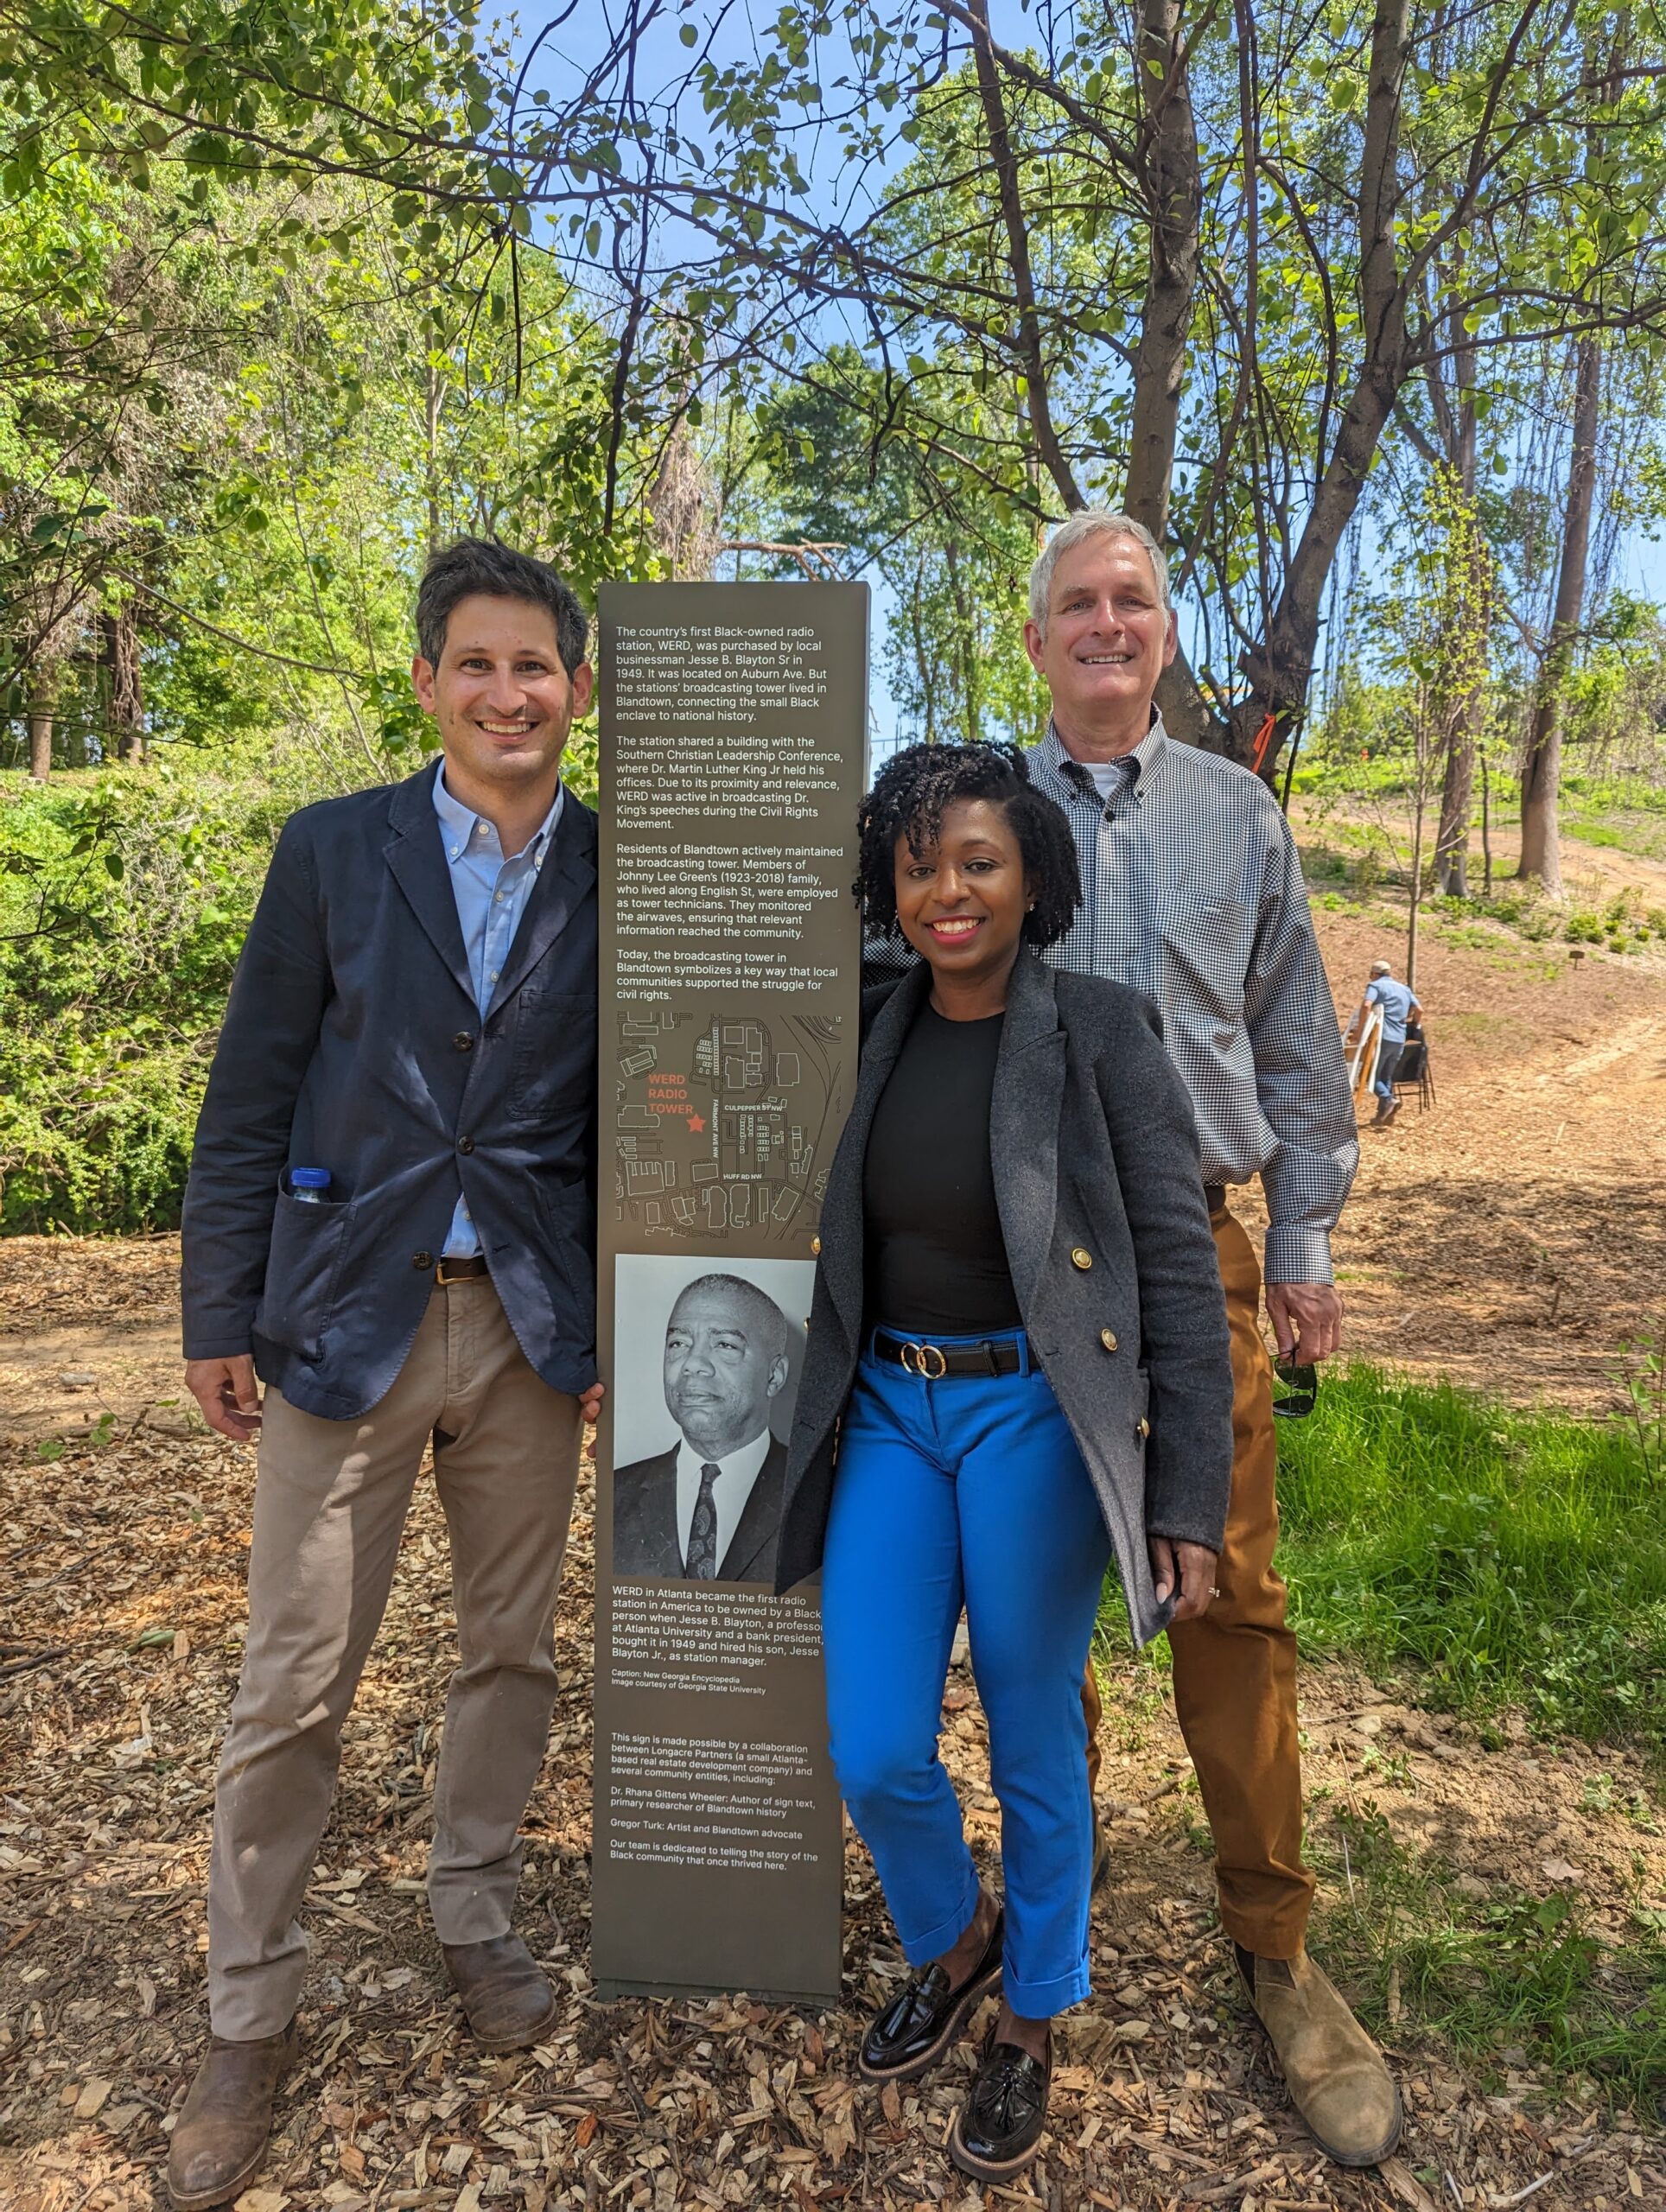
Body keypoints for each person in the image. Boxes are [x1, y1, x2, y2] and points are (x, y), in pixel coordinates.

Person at [170, 538, 603, 2211]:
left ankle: (473, 1903)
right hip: (343, 1312)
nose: (510, 694)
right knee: (292, 1674)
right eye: (478, 664)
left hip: (524, 1328)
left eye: (538, 668)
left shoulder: (616, 870)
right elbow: (253, 1087)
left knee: (507, 1651)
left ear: (578, 690)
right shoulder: (333, 850)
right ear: (426, 681)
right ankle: (246, 2001)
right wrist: (221, 1306)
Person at [777, 741, 1236, 2184]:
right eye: (917, 868)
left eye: (977, 860)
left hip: (1032, 1415)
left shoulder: (1099, 1031)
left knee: (1032, 1730)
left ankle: (1032, 2011)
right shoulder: (867, 1023)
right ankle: (954, 1937)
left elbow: (1172, 1270)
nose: (946, 892)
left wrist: (1185, 1500)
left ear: (1031, 871)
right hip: (890, 1418)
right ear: (887, 890)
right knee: (874, 1748)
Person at [1014, 510, 1398, 2166]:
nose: (1108, 625)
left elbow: (1299, 1049)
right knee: (1028, 1599)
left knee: (1227, 1597)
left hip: (1194, 1251)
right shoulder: (977, 815)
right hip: (1015, 1256)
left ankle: (1275, 1944)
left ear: (1164, 634)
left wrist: (1299, 1241)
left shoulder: (1236, 816)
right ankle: (1050, 1900)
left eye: (1133, 601)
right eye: (1076, 605)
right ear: (1033, 640)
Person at [613, 1272, 792, 1582]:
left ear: (774, 1376)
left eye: (724, 1344)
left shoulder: (820, 1496)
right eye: (679, 1343)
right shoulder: (615, 1494)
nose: (693, 1363)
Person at [1347, 958, 1423, 1127]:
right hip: (1399, 1038)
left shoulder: (1376, 986)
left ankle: (1389, 1100)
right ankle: (1384, 1117)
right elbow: (1419, 1010)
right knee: (1386, 1077)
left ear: (1374, 974)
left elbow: (1367, 1006)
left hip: (1382, 1037)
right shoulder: (1404, 989)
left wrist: (1360, 1031)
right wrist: (1414, 1026)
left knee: (1372, 1078)